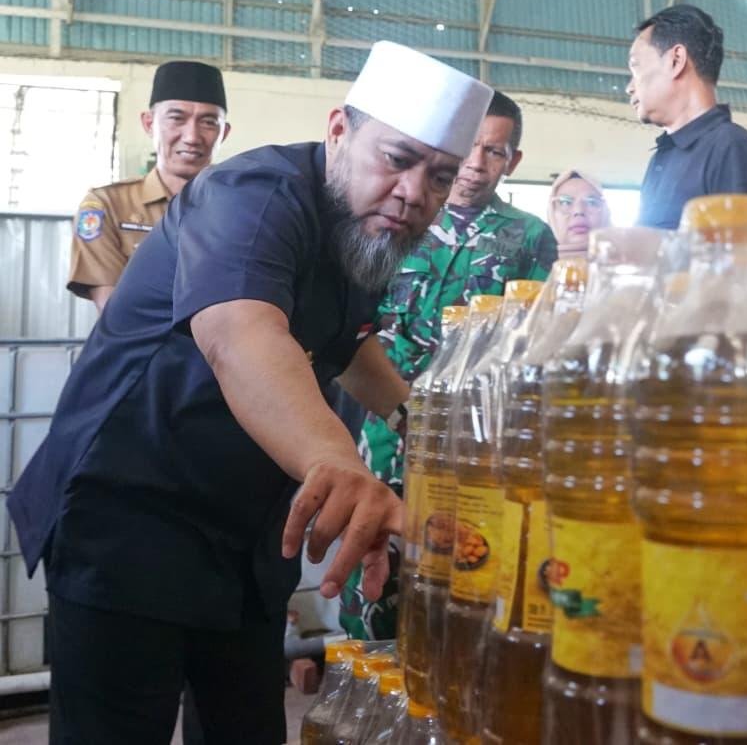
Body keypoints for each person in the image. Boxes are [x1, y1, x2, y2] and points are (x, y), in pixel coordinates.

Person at [7, 41, 493, 745]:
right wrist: (348, 472)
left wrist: (423, 422)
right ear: (338, 132)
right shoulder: (255, 196)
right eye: (397, 159)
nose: (416, 191)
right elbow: (242, 335)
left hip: (244, 533)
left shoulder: (367, 228)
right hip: (131, 516)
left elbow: (344, 341)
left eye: (440, 176)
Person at [341, 89, 558, 640]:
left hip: (470, 439)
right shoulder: (402, 212)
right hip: (381, 425)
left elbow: (529, 345)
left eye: (494, 152)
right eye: (470, 149)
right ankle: (362, 677)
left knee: (457, 567)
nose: (476, 166)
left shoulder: (528, 237)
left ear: (513, 162)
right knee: (369, 563)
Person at [68, 60, 231, 310]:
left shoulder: (242, 207)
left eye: (208, 122)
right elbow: (116, 314)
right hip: (142, 348)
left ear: (224, 133)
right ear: (149, 123)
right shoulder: (108, 205)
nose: (192, 137)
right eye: (177, 118)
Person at [627, 4, 747, 229]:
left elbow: (737, 255)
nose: (629, 87)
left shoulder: (730, 147)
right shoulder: (663, 157)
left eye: (635, 67)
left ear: (676, 60)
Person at [546, 168, 611, 257]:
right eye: (565, 202)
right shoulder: (529, 266)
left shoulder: (627, 263)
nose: (578, 211)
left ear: (605, 214)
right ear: (551, 214)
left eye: (591, 202)